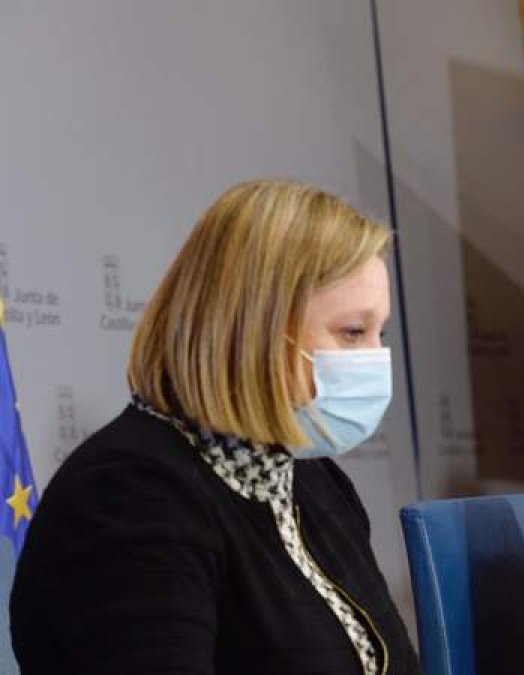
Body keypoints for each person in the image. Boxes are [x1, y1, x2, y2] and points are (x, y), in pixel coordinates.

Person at [10, 179, 422, 674]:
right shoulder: (126, 496)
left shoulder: (311, 481)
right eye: (352, 332)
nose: (376, 358)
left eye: (381, 332)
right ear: (254, 329)